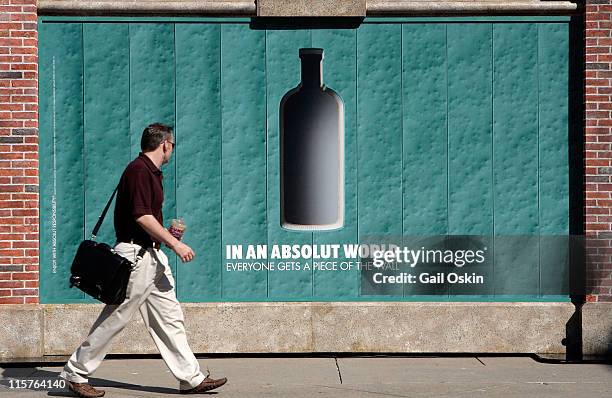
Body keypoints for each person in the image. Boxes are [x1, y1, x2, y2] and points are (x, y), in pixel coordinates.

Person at [59, 123, 227, 397]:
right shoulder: (138, 171)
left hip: (152, 255)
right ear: (165, 144)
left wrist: (165, 237)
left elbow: (147, 217)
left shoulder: (150, 172)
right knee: (116, 317)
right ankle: (75, 373)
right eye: (172, 144)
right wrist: (175, 243)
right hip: (137, 257)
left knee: (170, 318)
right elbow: (141, 216)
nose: (172, 149)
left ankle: (191, 378)